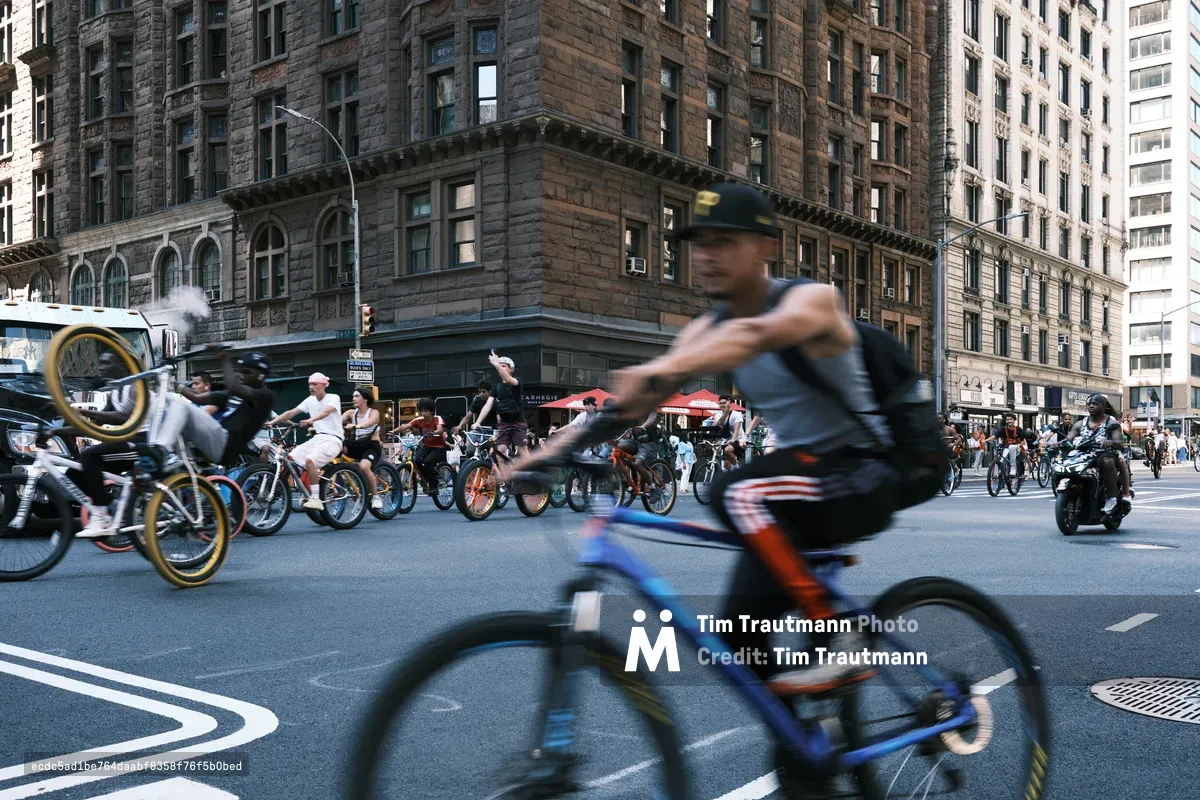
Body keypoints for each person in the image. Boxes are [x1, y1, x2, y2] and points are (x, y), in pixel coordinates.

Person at [508, 182, 901, 702]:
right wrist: (549, 452)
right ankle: (810, 748)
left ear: (766, 246)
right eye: (700, 242)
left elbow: (757, 335)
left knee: (734, 490)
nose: (707, 256)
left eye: (725, 241)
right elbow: (629, 407)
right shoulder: (704, 329)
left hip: (863, 470)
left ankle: (841, 635)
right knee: (739, 638)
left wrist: (668, 365)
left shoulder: (813, 300)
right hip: (800, 485)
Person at [77, 348, 275, 535]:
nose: (240, 375)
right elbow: (198, 397)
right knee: (168, 399)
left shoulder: (264, 396)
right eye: (239, 371)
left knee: (179, 405)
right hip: (204, 444)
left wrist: (223, 357)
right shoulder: (232, 396)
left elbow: (233, 386)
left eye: (246, 372)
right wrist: (171, 384)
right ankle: (159, 463)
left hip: (225, 445)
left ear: (261, 375)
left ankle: (160, 449)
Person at [268, 373, 343, 510]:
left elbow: (326, 412)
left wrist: (310, 420)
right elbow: (290, 413)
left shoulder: (333, 398)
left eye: (315, 384)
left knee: (310, 461)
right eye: (310, 384)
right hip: (318, 438)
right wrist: (271, 423)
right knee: (291, 458)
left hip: (333, 439)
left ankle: (315, 498)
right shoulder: (310, 400)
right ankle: (307, 491)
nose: (311, 387)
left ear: (324, 385)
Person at [1065, 394, 1131, 513]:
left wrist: (1110, 442)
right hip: (1084, 454)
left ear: (1104, 406)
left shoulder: (1111, 422)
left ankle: (1111, 498)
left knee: (1108, 462)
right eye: (1089, 404)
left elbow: (1119, 442)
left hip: (1105, 453)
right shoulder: (1080, 423)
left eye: (1095, 404)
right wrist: (1057, 443)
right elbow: (1069, 437)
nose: (1091, 406)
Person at [390, 398, 448, 491]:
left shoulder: (437, 419)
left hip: (439, 448)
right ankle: (424, 479)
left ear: (432, 411)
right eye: (421, 411)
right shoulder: (419, 420)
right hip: (427, 447)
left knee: (428, 462)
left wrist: (433, 432)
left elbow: (440, 430)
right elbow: (405, 426)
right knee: (416, 461)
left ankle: (434, 484)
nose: (423, 413)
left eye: (425, 411)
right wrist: (393, 432)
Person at [342, 387, 384, 510]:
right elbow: (337, 421)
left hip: (371, 446)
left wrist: (356, 426)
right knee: (336, 449)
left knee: (364, 467)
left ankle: (376, 497)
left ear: (364, 398)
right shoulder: (350, 413)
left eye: (356, 396)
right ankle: (339, 483)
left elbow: (371, 422)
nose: (353, 398)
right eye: (353, 396)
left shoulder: (373, 412)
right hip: (357, 445)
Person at [489, 353, 528, 457]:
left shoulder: (517, 381)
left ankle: (532, 472)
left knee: (522, 450)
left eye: (504, 366)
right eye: (499, 366)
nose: (500, 368)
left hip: (518, 422)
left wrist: (496, 364)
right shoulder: (496, 387)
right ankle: (503, 473)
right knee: (501, 450)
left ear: (511, 369)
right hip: (504, 423)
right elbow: (487, 405)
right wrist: (478, 422)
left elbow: (508, 380)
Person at [987, 413, 1027, 477]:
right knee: (1002, 456)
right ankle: (998, 471)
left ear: (1014, 420)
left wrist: (1019, 445)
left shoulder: (1018, 429)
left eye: (1011, 419)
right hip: (1006, 447)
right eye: (1007, 419)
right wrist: (985, 441)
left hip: (1016, 448)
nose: (1009, 421)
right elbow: (994, 436)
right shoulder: (1002, 429)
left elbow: (1023, 441)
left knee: (1012, 447)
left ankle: (1013, 467)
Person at [714, 394, 745, 469]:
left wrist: (733, 439)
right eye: (720, 403)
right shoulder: (718, 414)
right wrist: (726, 412)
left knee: (728, 450)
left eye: (724, 403)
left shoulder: (737, 414)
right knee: (726, 466)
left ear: (730, 403)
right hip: (727, 440)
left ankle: (738, 468)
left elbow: (737, 429)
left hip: (738, 440)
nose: (722, 405)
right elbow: (719, 423)